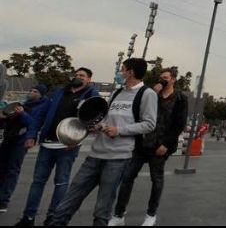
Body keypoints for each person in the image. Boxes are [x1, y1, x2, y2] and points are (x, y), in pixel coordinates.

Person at [48, 58, 157, 227]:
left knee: (103, 205)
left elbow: (149, 124)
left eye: (123, 69)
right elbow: (105, 117)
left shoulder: (147, 94)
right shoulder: (117, 93)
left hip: (118, 157)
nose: (120, 73)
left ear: (131, 72)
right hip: (95, 154)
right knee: (72, 196)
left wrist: (119, 130)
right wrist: (98, 126)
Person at [15, 69, 99, 226]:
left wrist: (76, 139)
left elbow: (92, 121)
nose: (78, 77)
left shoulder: (91, 96)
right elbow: (41, 115)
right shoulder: (59, 92)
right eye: (76, 74)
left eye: (82, 76)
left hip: (68, 146)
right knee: (38, 182)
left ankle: (53, 218)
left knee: (61, 183)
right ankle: (28, 217)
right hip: (47, 143)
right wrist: (31, 135)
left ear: (89, 80)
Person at [109, 68, 188, 227]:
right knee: (127, 177)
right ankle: (119, 214)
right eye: (161, 78)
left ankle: (151, 214)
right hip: (142, 143)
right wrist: (152, 93)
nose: (162, 80)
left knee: (156, 180)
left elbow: (179, 123)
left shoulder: (180, 98)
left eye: (166, 78)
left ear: (173, 80)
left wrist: (166, 144)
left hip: (160, 146)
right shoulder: (152, 94)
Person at [0, 85, 49, 213]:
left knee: (12, 170)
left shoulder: (41, 107)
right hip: (9, 138)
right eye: (31, 90)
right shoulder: (23, 103)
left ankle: (4, 200)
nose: (31, 93)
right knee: (2, 168)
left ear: (41, 94)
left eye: (35, 91)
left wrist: (22, 114)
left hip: (21, 141)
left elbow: (33, 123)